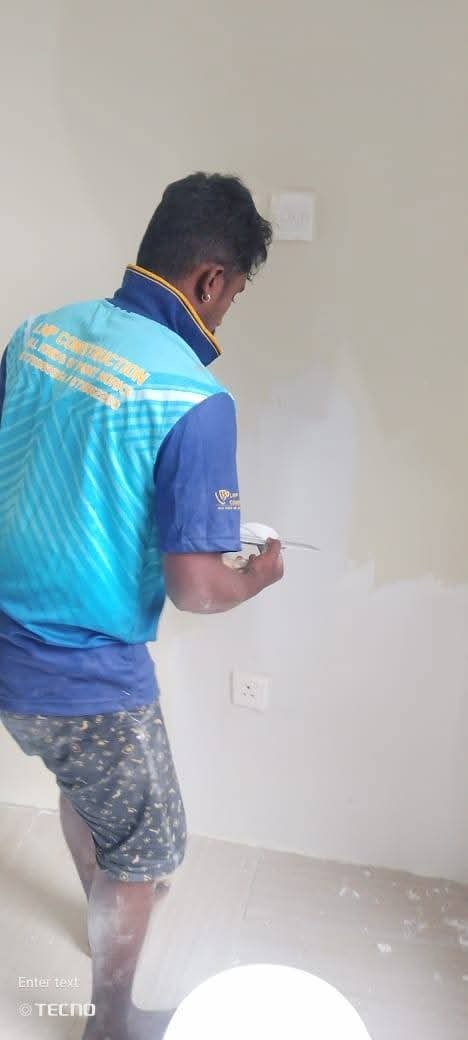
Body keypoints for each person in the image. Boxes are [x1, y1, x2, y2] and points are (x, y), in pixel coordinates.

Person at [0, 172, 284, 1040]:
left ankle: (104, 903)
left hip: (8, 649)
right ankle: (111, 1022)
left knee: (87, 789)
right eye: (234, 293)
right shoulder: (193, 399)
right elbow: (198, 587)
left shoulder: (41, 333)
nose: (227, 310)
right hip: (81, 676)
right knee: (151, 844)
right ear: (210, 279)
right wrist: (260, 574)